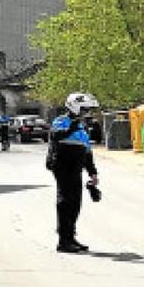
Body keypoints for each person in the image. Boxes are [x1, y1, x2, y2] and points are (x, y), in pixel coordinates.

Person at [49, 93, 100, 253]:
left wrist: (93, 173)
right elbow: (56, 136)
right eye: (84, 109)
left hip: (76, 167)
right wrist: (73, 126)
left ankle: (71, 237)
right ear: (75, 107)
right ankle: (63, 241)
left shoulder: (82, 126)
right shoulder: (61, 121)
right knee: (65, 201)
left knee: (76, 203)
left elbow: (87, 151)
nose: (87, 113)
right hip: (62, 165)